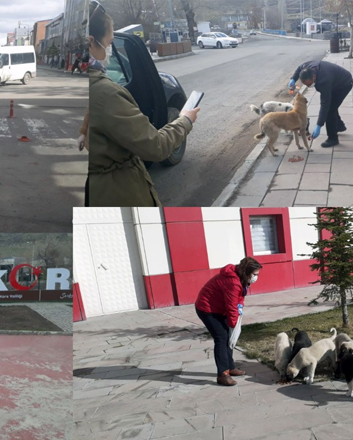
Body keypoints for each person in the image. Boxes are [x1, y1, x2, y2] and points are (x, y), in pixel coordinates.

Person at [88, 0, 200, 207]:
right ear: (91, 42)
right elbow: (155, 147)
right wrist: (185, 120)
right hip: (114, 193)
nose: (111, 49)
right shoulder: (105, 93)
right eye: (110, 42)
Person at [194, 257, 262, 386]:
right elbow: (231, 306)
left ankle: (230, 367)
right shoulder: (232, 282)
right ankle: (223, 374)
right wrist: (233, 325)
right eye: (254, 274)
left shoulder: (241, 279)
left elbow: (239, 298)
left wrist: (239, 310)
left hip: (220, 309)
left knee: (228, 337)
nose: (256, 277)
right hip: (207, 309)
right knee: (222, 338)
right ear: (246, 272)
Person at [288, 60, 353, 148]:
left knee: (330, 110)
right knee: (333, 106)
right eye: (305, 84)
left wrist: (319, 125)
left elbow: (325, 104)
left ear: (314, 77)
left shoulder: (324, 81)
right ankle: (339, 126)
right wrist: (293, 79)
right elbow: (299, 68)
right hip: (334, 80)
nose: (308, 86)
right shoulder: (307, 68)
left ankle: (333, 138)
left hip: (344, 84)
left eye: (309, 84)